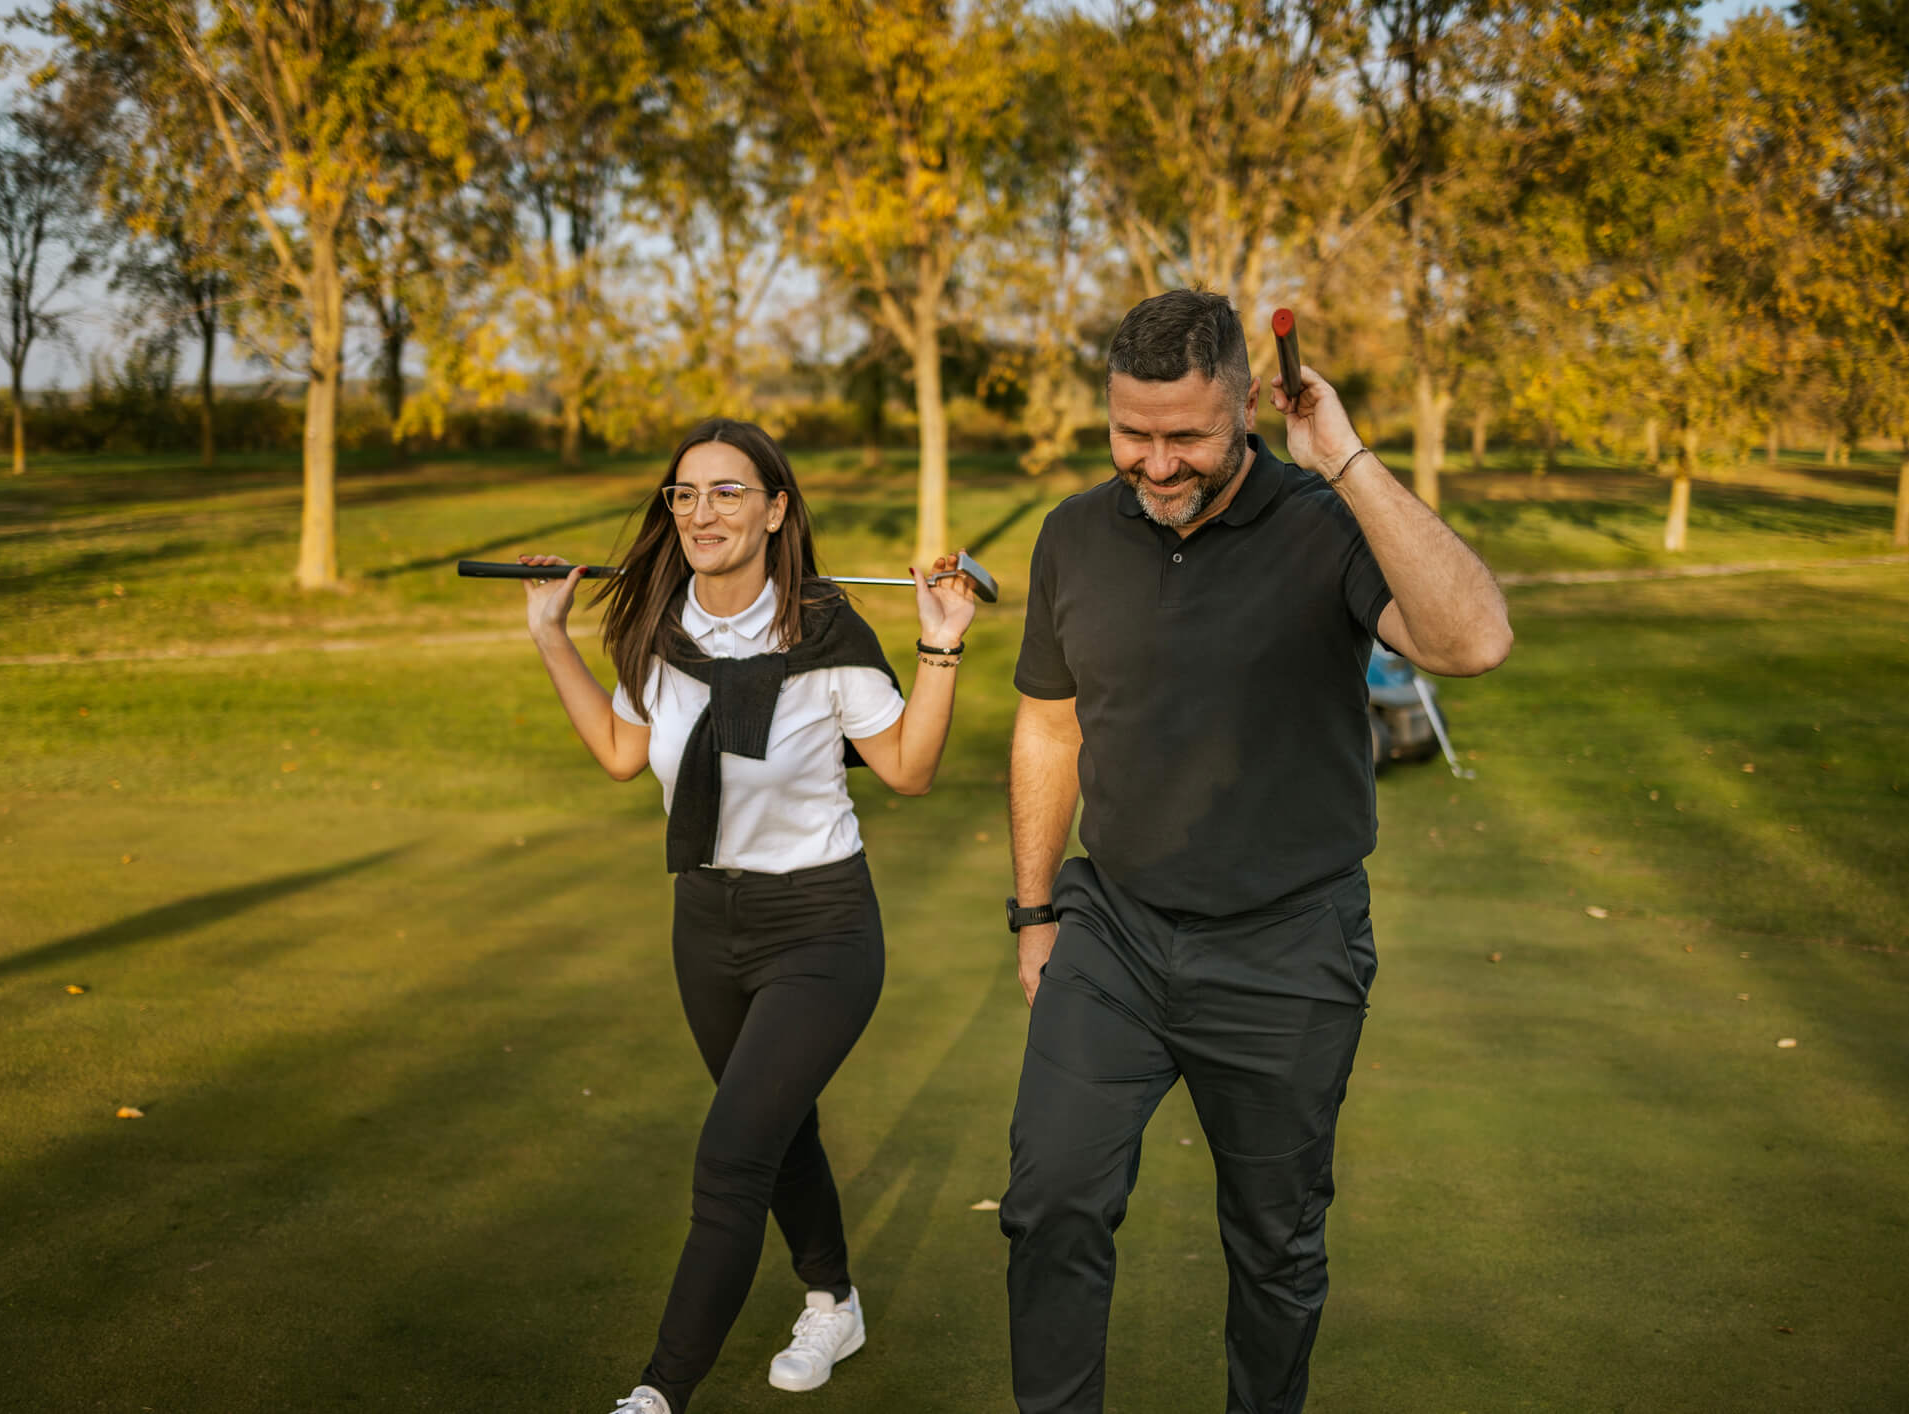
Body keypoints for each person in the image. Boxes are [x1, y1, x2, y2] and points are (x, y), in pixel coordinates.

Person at [999, 290, 1513, 1414]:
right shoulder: (1075, 534)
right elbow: (1049, 720)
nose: (1155, 460)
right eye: (1132, 432)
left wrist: (1348, 460)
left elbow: (1473, 639)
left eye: (1185, 433)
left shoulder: (1330, 523)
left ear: (1249, 402)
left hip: (1289, 948)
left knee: (1274, 1245)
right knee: (1051, 1202)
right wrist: (1035, 912)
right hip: (1114, 933)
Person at [515, 417, 979, 1414]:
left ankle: (657, 1391)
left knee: (732, 1154)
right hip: (705, 927)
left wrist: (938, 648)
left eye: (728, 492)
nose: (701, 512)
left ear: (775, 511)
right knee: (774, 1130)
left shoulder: (829, 631)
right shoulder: (656, 628)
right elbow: (617, 750)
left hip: (821, 927)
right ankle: (834, 1300)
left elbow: (909, 768)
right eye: (685, 494)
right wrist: (550, 633)